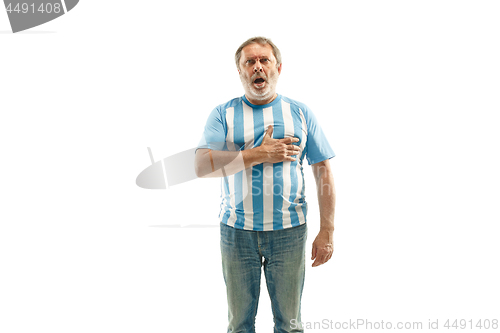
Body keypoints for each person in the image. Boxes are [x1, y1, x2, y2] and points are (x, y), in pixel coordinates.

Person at [195, 36, 336, 333]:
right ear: (240, 71)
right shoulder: (223, 114)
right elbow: (201, 166)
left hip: (289, 232)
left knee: (289, 323)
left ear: (278, 68)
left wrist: (327, 230)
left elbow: (322, 170)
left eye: (264, 60)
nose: (257, 67)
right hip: (236, 232)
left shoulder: (300, 112)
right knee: (240, 324)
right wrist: (260, 153)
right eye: (250, 62)